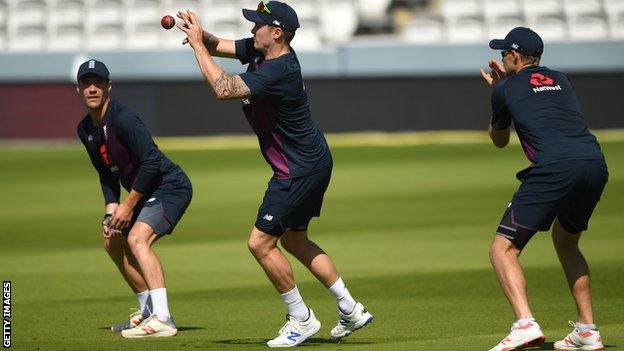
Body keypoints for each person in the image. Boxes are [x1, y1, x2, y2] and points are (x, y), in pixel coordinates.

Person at [175, 1, 373, 347]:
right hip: (309, 162)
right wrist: (198, 33)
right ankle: (350, 308)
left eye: (258, 25)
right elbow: (218, 45)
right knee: (294, 240)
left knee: (260, 242)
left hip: (296, 169)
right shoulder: (261, 49)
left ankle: (301, 318)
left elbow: (224, 89)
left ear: (277, 33)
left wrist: (195, 47)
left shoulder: (279, 69)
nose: (253, 30)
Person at [480, 27, 608, 351]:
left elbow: (498, 141)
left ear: (515, 56)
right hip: (593, 162)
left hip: (555, 167)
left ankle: (525, 323)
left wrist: (498, 91)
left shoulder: (504, 89)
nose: (500, 58)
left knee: (502, 249)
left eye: (503, 53)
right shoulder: (562, 79)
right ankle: (587, 330)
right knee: (566, 241)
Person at [75, 59, 193, 338]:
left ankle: (163, 319)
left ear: (109, 87)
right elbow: (106, 173)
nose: (92, 88)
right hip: (144, 191)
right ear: (78, 89)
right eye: (86, 83)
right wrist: (111, 208)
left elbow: (152, 161)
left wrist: (128, 205)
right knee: (112, 241)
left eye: (98, 83)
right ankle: (148, 311)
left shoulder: (122, 117)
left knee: (137, 239)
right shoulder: (85, 130)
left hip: (169, 186)